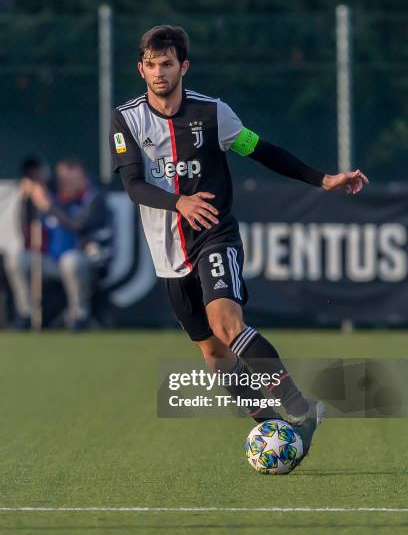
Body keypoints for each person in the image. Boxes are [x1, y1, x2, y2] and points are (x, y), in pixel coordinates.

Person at [109, 25, 369, 459]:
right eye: (151, 65)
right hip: (168, 255)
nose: (159, 73)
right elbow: (134, 184)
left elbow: (261, 149)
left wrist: (322, 179)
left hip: (214, 233)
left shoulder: (213, 114)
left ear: (183, 66)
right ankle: (273, 434)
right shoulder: (127, 118)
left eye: (167, 64)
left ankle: (301, 411)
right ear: (141, 68)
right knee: (214, 356)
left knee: (228, 327)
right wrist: (179, 203)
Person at [9, 158, 110, 330]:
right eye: (62, 180)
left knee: (70, 261)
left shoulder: (93, 198)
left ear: (82, 178)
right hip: (51, 260)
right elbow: (26, 231)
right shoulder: (54, 196)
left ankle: (79, 316)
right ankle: (26, 314)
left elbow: (78, 225)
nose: (65, 184)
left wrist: (49, 206)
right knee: (17, 258)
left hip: (85, 260)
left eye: (70, 180)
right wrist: (28, 199)